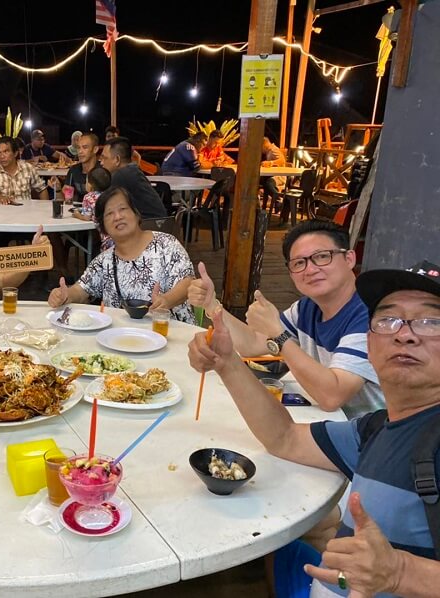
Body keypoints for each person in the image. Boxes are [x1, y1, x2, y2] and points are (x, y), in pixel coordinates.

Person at [187, 260, 440, 597]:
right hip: (326, 585)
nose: (404, 334)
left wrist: (400, 572)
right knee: (262, 544)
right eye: (388, 319)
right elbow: (285, 439)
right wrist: (228, 363)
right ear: (370, 342)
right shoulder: (376, 429)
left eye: (430, 321)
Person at [188, 219, 383, 417]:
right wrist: (211, 304)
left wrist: (278, 334)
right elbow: (253, 344)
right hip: (327, 420)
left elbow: (332, 396)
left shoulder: (372, 316)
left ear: (349, 259)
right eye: (299, 262)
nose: (311, 269)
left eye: (322, 256)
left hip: (369, 436)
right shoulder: (307, 307)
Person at [47, 187, 195, 323]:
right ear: (103, 227)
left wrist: (166, 300)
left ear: (136, 214)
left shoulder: (166, 244)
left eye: (123, 209)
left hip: (171, 333)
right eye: (109, 213)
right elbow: (81, 290)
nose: (117, 217)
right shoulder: (103, 261)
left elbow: (188, 282)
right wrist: (65, 294)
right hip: (122, 340)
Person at [100, 137, 166, 218]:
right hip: (159, 224)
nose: (101, 163)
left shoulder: (121, 175)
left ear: (117, 159)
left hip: (148, 225)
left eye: (104, 158)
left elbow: (106, 207)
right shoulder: (132, 171)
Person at [0, 136, 49, 204]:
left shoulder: (28, 168)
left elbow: (42, 189)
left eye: (6, 151)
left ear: (15, 153)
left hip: (26, 211)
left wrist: (44, 208)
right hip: (2, 211)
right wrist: (0, 198)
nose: (2, 156)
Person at [63, 132, 99, 202]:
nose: (80, 151)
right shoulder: (73, 170)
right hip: (76, 210)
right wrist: (58, 190)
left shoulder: (103, 170)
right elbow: (67, 200)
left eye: (85, 147)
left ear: (95, 149)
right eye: (78, 148)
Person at [260, 136, 287, 211]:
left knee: (268, 183)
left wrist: (271, 163)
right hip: (272, 175)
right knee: (263, 182)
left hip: (279, 176)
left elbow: (282, 160)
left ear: (264, 145)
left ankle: (278, 199)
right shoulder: (269, 152)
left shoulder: (274, 149)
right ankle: (263, 205)